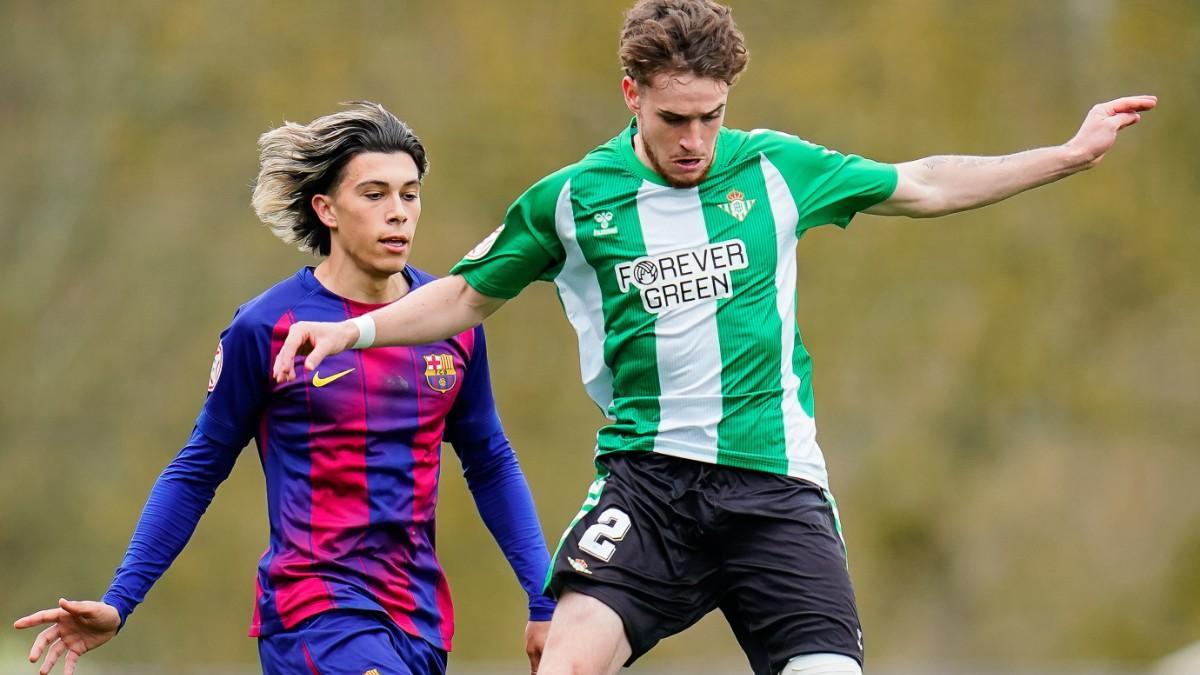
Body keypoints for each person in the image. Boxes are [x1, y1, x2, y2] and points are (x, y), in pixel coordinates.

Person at [268, 2, 1157, 674]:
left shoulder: (774, 168)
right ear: (632, 95)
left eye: (711, 116)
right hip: (649, 487)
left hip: (776, 489)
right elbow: (465, 296)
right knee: (564, 660)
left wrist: (1066, 155)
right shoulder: (573, 199)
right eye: (674, 119)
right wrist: (356, 333)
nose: (695, 139)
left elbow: (921, 182)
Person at [13, 103, 555, 675]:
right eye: (374, 194)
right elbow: (198, 468)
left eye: (410, 194)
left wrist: (544, 599)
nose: (398, 212)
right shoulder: (266, 327)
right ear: (326, 209)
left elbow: (490, 461)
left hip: (419, 621)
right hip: (312, 613)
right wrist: (121, 600)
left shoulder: (450, 323)